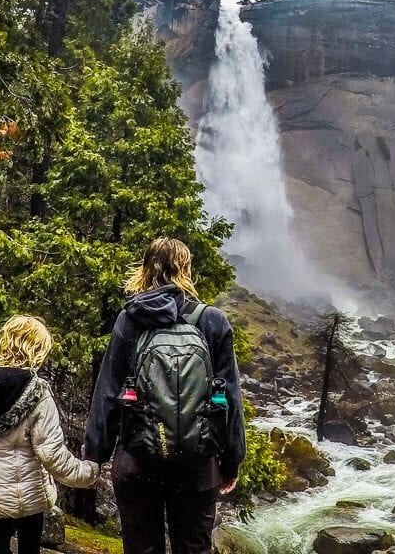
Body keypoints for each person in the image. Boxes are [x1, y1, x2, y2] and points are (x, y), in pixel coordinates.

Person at [83, 237, 245, 554]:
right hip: (197, 465)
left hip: (137, 460)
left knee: (142, 548)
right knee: (194, 548)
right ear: (185, 269)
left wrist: (95, 454)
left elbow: (108, 391)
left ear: (145, 270)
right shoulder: (212, 321)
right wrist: (231, 461)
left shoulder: (129, 319)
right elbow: (229, 398)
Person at [0, 315, 99, 554]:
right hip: (28, 499)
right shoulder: (37, 394)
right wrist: (88, 473)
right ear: (37, 350)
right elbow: (52, 455)